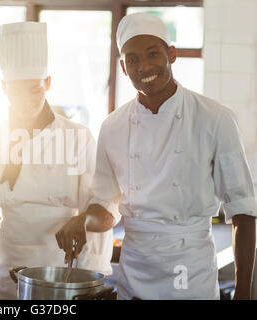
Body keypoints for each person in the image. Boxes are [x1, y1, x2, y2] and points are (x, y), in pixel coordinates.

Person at [57, 12, 257, 300]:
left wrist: (243, 293)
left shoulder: (215, 118)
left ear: (171, 54)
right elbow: (105, 208)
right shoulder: (112, 127)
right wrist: (82, 221)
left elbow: (243, 211)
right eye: (133, 59)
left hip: (190, 269)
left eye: (153, 54)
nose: (144, 66)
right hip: (134, 271)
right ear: (123, 68)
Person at [0, 22, 115, 299]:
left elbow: (103, 208)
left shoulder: (77, 137)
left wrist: (82, 220)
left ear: (47, 84)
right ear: (3, 87)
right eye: (16, 91)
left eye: (35, 91)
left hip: (62, 271)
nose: (26, 101)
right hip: (8, 270)